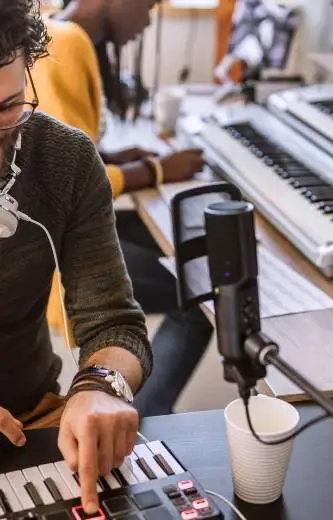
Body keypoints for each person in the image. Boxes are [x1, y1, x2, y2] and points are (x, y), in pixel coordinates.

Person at [0, 0, 153, 515]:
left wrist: (99, 385)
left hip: (32, 421)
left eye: (6, 108)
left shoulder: (63, 158)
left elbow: (116, 325)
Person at [32, 0, 215, 417]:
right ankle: (142, 416)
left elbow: (67, 151)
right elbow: (66, 182)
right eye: (147, 6)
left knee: (187, 241)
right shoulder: (69, 42)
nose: (147, 20)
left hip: (56, 237)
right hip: (61, 258)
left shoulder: (57, 31)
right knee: (202, 291)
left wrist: (114, 155)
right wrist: (153, 170)